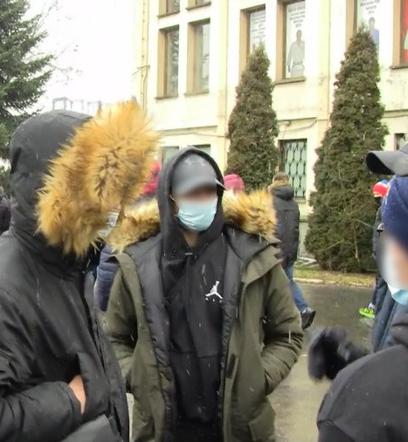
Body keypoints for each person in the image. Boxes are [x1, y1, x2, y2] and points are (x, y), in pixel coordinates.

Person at [0, 101, 158, 442]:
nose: (112, 206)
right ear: (57, 191)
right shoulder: (3, 289)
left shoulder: (68, 260)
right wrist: (72, 399)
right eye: (99, 190)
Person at [105, 148, 303, 442]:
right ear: (168, 199)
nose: (202, 201)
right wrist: (137, 377)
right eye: (191, 194)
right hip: (165, 429)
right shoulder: (140, 264)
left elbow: (288, 333)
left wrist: (258, 378)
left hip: (239, 428)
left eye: (209, 192)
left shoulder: (252, 256)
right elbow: (113, 337)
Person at [315, 175, 408, 441]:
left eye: (387, 232)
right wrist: (358, 362)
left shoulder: (354, 414)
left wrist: (364, 382)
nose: (383, 245)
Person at [270, 172, 316, 329]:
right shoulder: (294, 203)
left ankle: (300, 310)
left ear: (274, 182)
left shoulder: (271, 201)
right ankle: (298, 311)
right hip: (291, 249)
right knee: (287, 280)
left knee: (278, 283)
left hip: (277, 249)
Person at [360, 180, 390, 319]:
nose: (376, 198)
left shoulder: (384, 209)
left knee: (382, 281)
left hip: (383, 252)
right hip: (383, 251)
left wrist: (378, 249)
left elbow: (381, 232)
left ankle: (375, 307)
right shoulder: (386, 208)